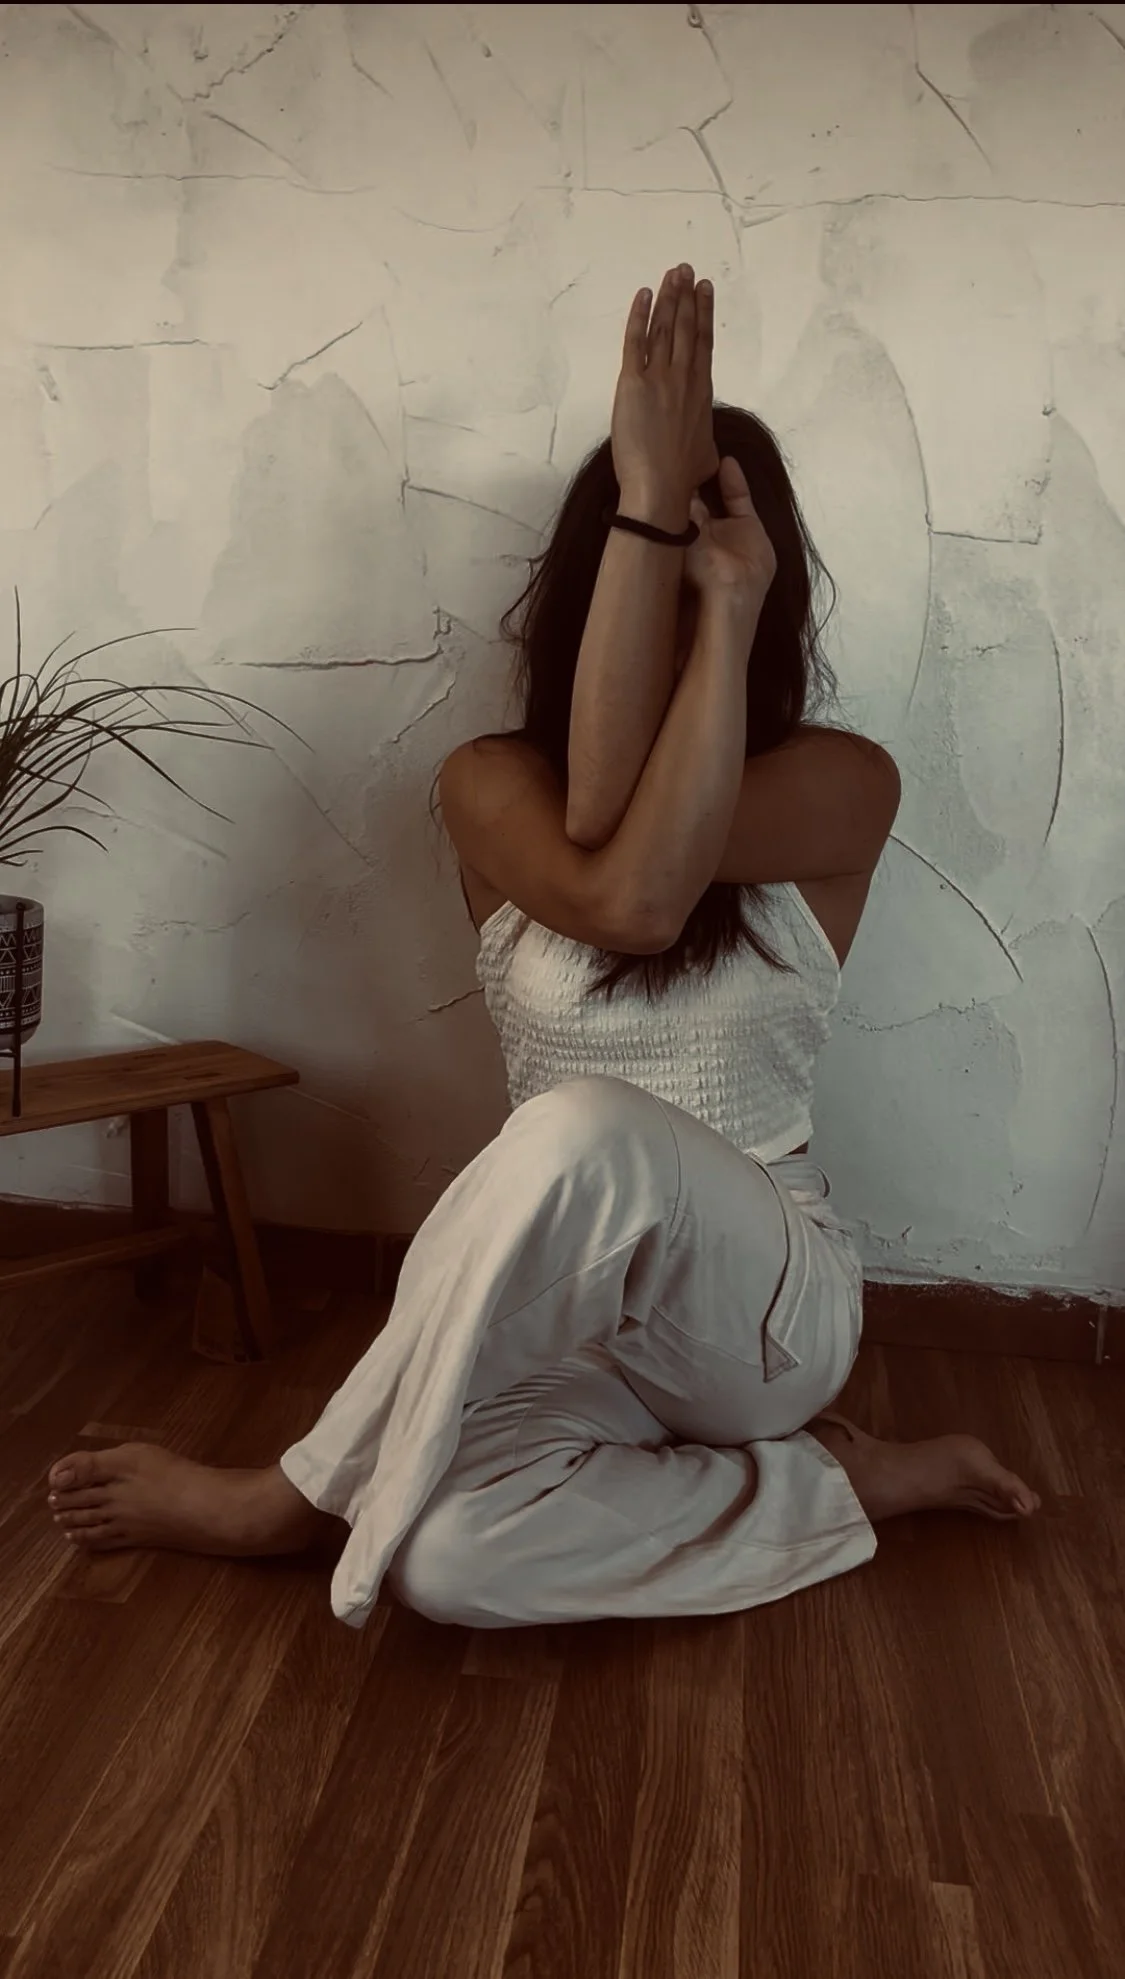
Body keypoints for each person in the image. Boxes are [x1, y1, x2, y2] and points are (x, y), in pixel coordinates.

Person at [45, 263, 1038, 1630]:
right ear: (599, 572)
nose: (686, 586)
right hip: (569, 1325)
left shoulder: (840, 785)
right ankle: (845, 1491)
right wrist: (649, 502)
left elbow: (636, 895)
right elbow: (607, 825)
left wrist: (724, 601)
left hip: (763, 1310)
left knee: (576, 1125)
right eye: (646, 550)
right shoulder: (482, 786)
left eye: (708, 563)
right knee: (451, 1561)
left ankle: (280, 1499)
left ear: (765, 577)